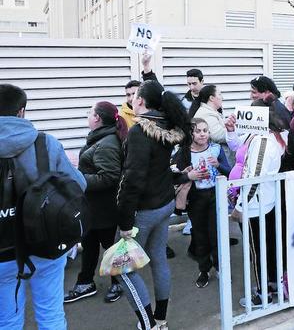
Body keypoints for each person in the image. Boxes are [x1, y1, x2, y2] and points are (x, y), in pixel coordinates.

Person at [0, 84, 86, 330]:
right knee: (51, 315)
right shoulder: (45, 143)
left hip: (2, 251)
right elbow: (78, 185)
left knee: (6, 320)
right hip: (45, 244)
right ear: (21, 111)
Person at [116, 80, 190, 330]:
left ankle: (148, 324)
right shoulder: (166, 126)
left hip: (145, 211)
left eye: (135, 95)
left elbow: (132, 180)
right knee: (158, 258)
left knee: (123, 269)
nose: (132, 99)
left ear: (141, 102)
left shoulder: (140, 131)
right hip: (165, 204)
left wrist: (125, 222)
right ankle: (161, 319)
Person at [225, 98, 287, 307]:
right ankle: (273, 285)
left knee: (257, 251)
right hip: (261, 203)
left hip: (254, 206)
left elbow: (254, 178)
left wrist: (240, 208)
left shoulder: (263, 141)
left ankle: (263, 295)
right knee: (266, 247)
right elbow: (237, 146)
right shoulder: (260, 136)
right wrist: (232, 131)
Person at [64, 102, 128, 305]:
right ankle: (85, 282)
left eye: (89, 113)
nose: (87, 116)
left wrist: (78, 176)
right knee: (90, 244)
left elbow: (109, 177)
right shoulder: (100, 138)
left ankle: (118, 282)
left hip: (105, 209)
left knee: (111, 248)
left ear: (98, 118)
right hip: (93, 207)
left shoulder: (106, 143)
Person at [171, 118, 230, 288]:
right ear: (191, 134)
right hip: (195, 198)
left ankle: (220, 267)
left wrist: (218, 165)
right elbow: (172, 175)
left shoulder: (216, 149)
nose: (203, 134)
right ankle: (204, 270)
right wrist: (189, 176)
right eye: (198, 131)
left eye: (205, 130)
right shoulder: (183, 152)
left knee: (216, 234)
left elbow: (230, 172)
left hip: (215, 196)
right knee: (200, 235)